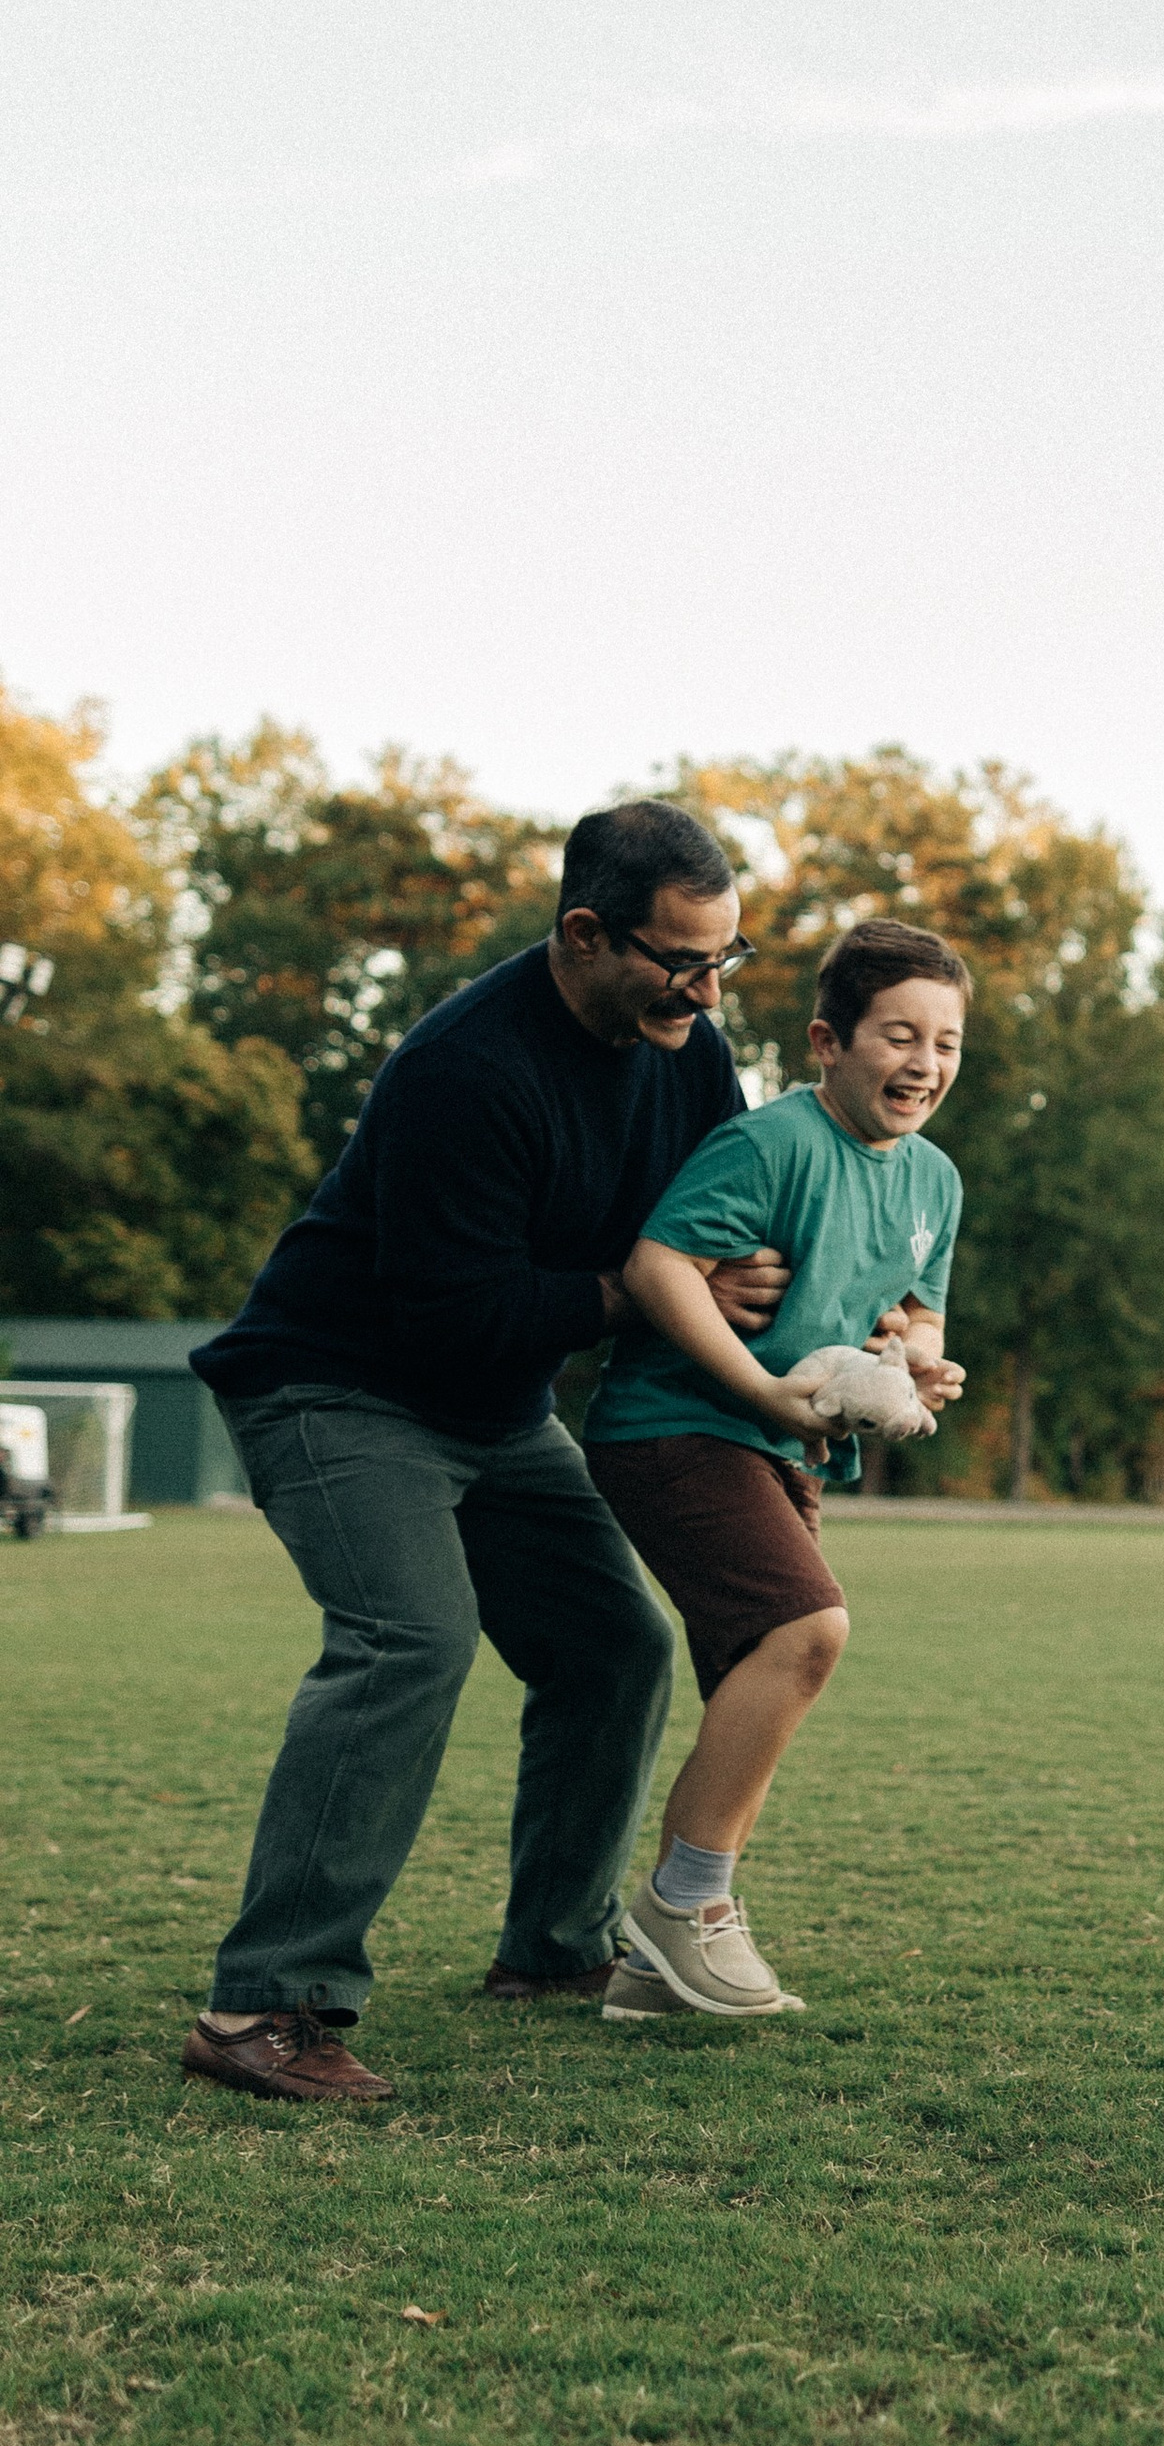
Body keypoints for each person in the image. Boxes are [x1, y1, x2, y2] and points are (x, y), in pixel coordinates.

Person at [183, 801, 780, 2105]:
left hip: (497, 1411)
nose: (708, 988)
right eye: (683, 961)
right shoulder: (466, 1068)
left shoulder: (685, 1048)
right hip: (335, 1388)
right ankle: (265, 2008)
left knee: (614, 1646)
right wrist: (635, 1290)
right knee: (408, 1640)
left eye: (728, 957)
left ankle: (552, 1952)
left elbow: (714, 1231)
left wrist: (846, 1319)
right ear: (583, 932)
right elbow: (458, 1317)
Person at [581, 917, 969, 2023]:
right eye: (899, 1035)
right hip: (676, 1428)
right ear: (825, 1041)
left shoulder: (934, 1183)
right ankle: (685, 1906)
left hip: (784, 1453)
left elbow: (920, 1315)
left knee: (753, 1687)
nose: (923, 1064)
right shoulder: (772, 1145)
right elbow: (660, 1264)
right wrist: (756, 1390)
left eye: (945, 1044)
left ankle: (654, 1974)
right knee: (808, 1632)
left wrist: (915, 1371)